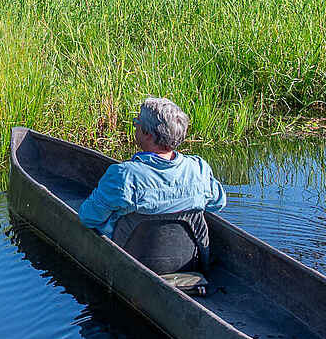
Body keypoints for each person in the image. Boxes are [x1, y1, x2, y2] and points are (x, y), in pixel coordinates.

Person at [78, 97, 227, 237]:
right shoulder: (199, 168)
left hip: (132, 250)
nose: (135, 126)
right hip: (191, 254)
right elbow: (218, 203)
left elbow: (88, 217)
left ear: (148, 134)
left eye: (137, 122)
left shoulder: (124, 175)